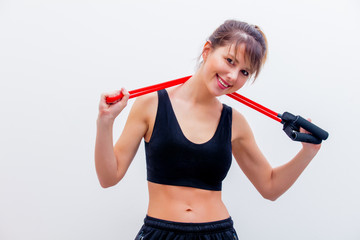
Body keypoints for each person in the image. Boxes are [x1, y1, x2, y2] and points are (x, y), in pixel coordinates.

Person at [95, 19, 321, 240]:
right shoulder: (149, 105)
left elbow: (270, 187)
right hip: (159, 232)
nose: (233, 76)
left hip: (219, 233)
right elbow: (109, 177)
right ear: (207, 51)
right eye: (230, 60)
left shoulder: (235, 122)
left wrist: (307, 152)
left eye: (245, 72)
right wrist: (105, 122)